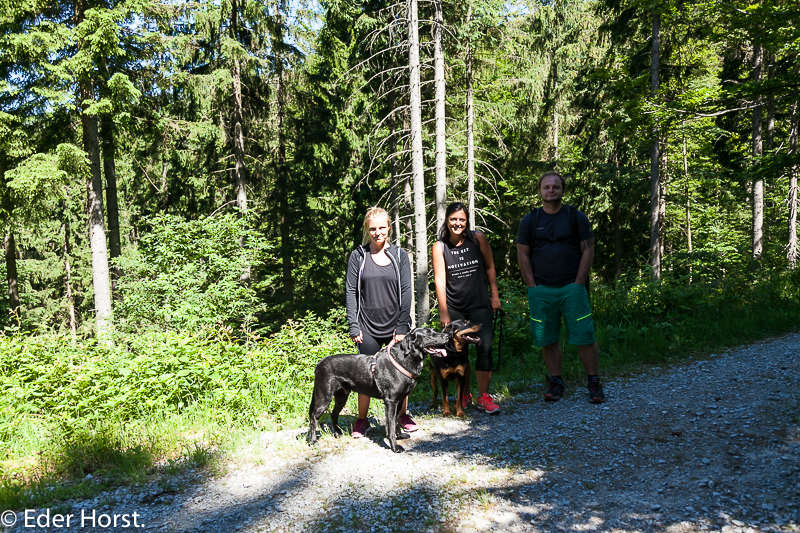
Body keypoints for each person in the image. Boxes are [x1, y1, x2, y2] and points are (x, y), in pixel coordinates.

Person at [516, 171, 605, 403]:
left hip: (572, 288)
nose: (551, 190)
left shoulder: (575, 217)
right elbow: (523, 254)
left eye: (555, 187)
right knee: (547, 338)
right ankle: (555, 381)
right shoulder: (530, 220)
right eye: (547, 187)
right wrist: (532, 286)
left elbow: (588, 250)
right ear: (540, 191)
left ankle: (593, 381)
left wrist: (578, 283)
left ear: (562, 190)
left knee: (585, 335)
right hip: (542, 290)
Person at [345, 207, 416, 438]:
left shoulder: (399, 256)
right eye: (373, 229)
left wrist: (403, 325)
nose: (377, 233)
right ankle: (362, 420)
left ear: (389, 228)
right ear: (367, 230)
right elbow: (351, 292)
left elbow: (406, 291)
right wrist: (353, 324)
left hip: (397, 327)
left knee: (403, 373)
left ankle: (402, 416)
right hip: (367, 327)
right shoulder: (359, 256)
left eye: (382, 228)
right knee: (365, 374)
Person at [432, 202, 502, 414]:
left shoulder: (478, 238)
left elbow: (490, 267)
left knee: (485, 348)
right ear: (446, 220)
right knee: (456, 354)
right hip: (454, 309)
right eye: (453, 219)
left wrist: (495, 295)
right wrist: (443, 311)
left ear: (467, 221)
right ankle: (464, 394)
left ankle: (483, 396)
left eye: (461, 219)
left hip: (480, 305)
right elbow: (439, 280)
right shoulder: (440, 246)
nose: (457, 223)